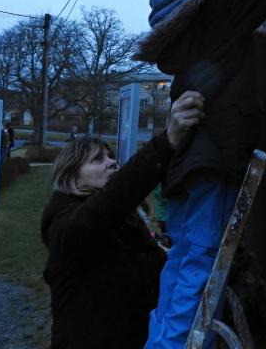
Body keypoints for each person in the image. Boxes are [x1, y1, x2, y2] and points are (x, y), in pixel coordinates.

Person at [108, 0, 266, 348]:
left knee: (181, 258)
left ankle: (160, 341)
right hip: (216, 156)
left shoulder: (175, 33)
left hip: (185, 165)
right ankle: (176, 344)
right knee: (203, 259)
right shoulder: (220, 5)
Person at [41, 90, 205, 349]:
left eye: (110, 156)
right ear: (71, 175)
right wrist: (168, 141)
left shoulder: (123, 218)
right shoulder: (63, 223)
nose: (111, 162)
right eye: (97, 159)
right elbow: (107, 206)